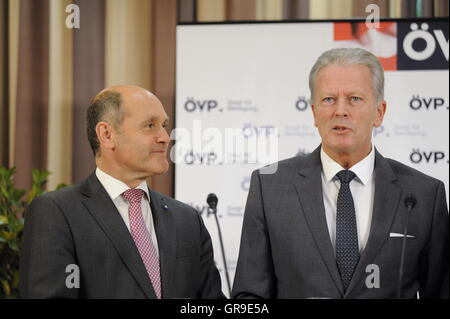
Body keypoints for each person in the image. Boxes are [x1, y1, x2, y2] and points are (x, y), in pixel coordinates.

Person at [232, 48, 449, 299]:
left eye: (355, 99)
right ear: (314, 113)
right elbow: (250, 298)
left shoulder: (424, 194)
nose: (340, 110)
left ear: (379, 112)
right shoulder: (269, 188)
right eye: (329, 99)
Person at [20, 85, 224, 299]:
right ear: (107, 135)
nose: (165, 137)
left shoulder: (187, 219)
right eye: (150, 125)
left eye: (164, 125)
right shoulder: (57, 213)